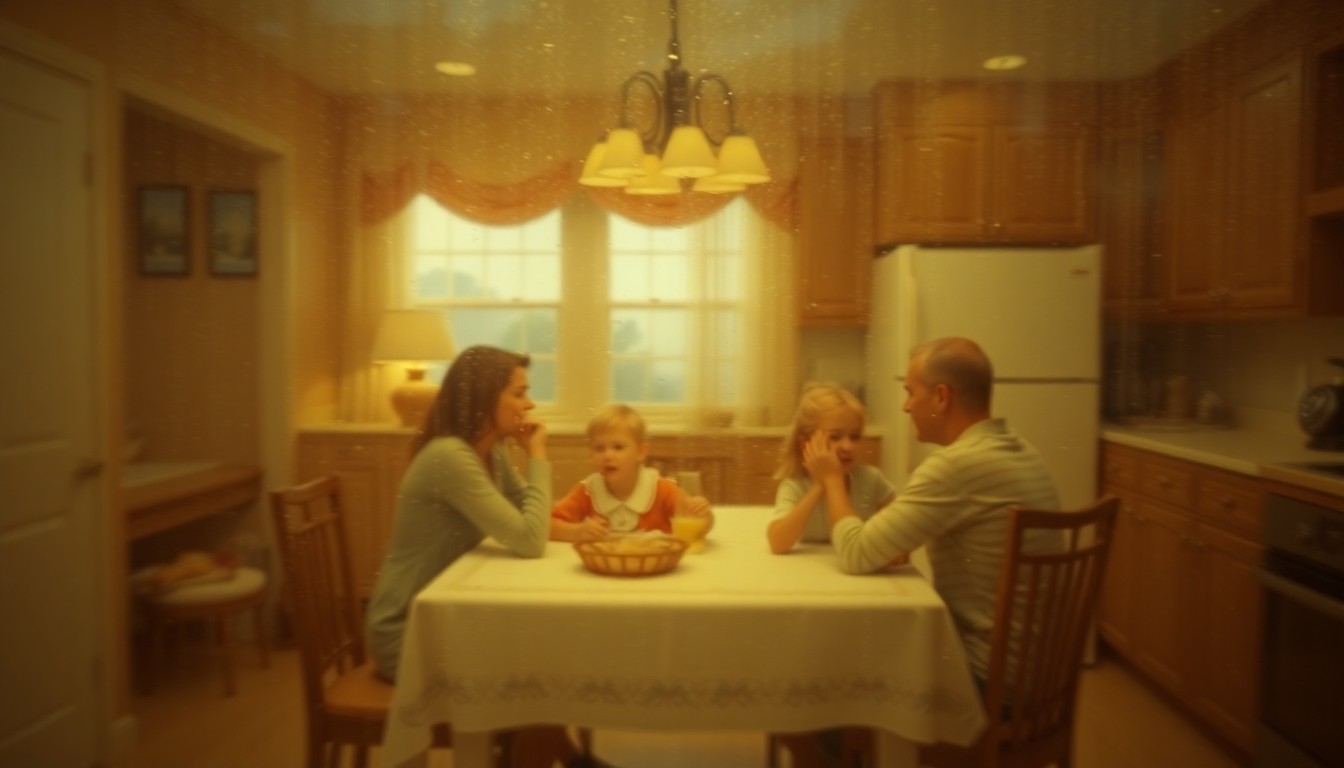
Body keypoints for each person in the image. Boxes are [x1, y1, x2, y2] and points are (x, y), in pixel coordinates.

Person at [364, 345, 612, 768]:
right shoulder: (451, 458)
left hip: (442, 619)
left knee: (542, 662)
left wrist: (576, 532)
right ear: (483, 396)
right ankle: (560, 760)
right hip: (406, 633)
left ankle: (556, 758)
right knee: (538, 672)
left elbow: (529, 519)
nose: (530, 403)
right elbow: (530, 538)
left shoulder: (488, 451)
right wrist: (537, 453)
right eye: (519, 392)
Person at [805, 337, 1062, 681]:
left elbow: (854, 553)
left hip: (988, 677)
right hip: (1039, 671)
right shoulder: (1018, 449)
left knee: (825, 670)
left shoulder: (956, 466)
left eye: (911, 392)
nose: (905, 407)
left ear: (941, 397)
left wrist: (832, 481)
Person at [550, 403, 714, 542]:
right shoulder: (587, 491)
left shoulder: (662, 489)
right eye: (599, 448)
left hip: (655, 573)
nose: (607, 455)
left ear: (641, 452)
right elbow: (547, 526)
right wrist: (577, 532)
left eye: (618, 447)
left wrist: (702, 513)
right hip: (603, 574)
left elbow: (699, 526)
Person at [766, 384, 896, 554]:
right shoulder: (795, 485)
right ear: (806, 442)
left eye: (855, 436)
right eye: (835, 437)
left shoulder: (872, 479)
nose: (847, 446)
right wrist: (820, 486)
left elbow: (900, 529)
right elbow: (777, 543)